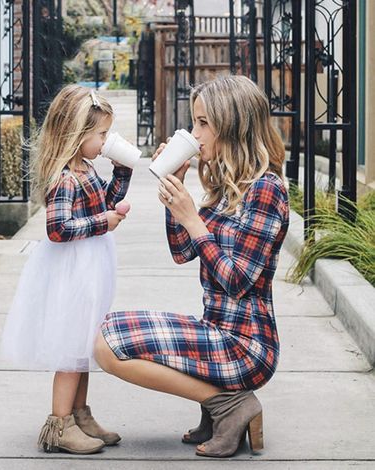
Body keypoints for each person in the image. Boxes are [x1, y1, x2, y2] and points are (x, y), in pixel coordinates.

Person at [95, 75, 289, 458]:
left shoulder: (266, 190)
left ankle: (230, 405)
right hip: (216, 330)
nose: (194, 133)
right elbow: (183, 252)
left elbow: (237, 282)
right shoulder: (225, 186)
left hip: (246, 346)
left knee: (107, 347)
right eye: (195, 122)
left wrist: (193, 219)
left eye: (203, 123)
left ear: (232, 126)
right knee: (103, 331)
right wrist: (176, 198)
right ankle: (218, 405)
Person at [1, 85, 133, 454]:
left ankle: (80, 414)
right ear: (77, 135)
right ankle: (59, 425)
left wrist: (121, 174)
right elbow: (57, 230)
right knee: (70, 349)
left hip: (89, 267)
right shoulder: (64, 178)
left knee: (83, 344)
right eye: (102, 134)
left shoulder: (86, 168)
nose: (106, 141)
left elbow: (106, 201)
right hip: (73, 270)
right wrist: (102, 223)